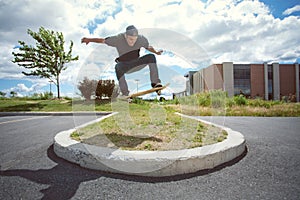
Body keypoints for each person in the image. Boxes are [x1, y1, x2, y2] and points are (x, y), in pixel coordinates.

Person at [81, 25, 163, 98]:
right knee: (118, 66)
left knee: (151, 57)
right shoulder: (117, 39)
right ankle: (125, 93)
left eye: (134, 40)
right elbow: (103, 40)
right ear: (125, 36)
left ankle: (155, 83)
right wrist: (89, 39)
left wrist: (156, 52)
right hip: (125, 66)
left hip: (137, 63)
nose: (132, 42)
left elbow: (148, 47)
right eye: (130, 39)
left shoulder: (141, 39)